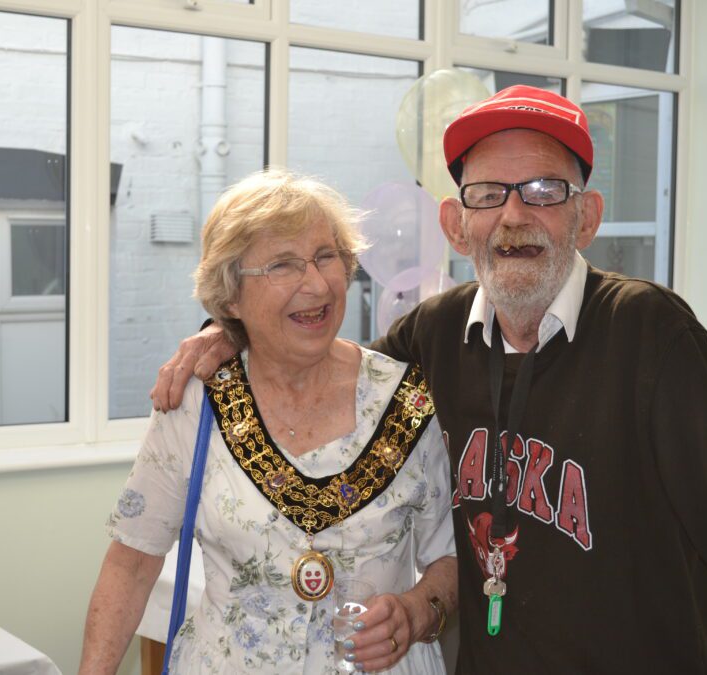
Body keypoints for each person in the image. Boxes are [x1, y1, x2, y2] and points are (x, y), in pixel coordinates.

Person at [150, 85, 707, 673]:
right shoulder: (430, 337)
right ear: (457, 224)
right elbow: (320, 361)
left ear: (586, 217)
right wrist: (235, 330)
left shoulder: (650, 336)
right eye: (488, 194)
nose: (514, 215)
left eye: (544, 190)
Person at [80, 169, 457, 675]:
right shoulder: (199, 400)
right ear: (230, 297)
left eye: (328, 257)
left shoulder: (409, 402)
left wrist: (415, 613)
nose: (317, 283)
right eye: (283, 265)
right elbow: (131, 562)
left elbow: (451, 560)